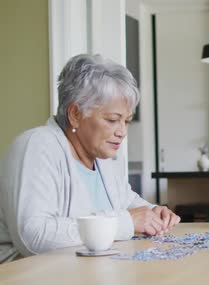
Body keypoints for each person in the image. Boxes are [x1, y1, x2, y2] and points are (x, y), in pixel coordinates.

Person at [0, 54, 180, 262]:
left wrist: (155, 213)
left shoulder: (100, 159)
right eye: (113, 120)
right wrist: (126, 222)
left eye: (126, 121)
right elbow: (33, 236)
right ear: (75, 114)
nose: (122, 132)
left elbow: (129, 203)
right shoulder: (36, 146)